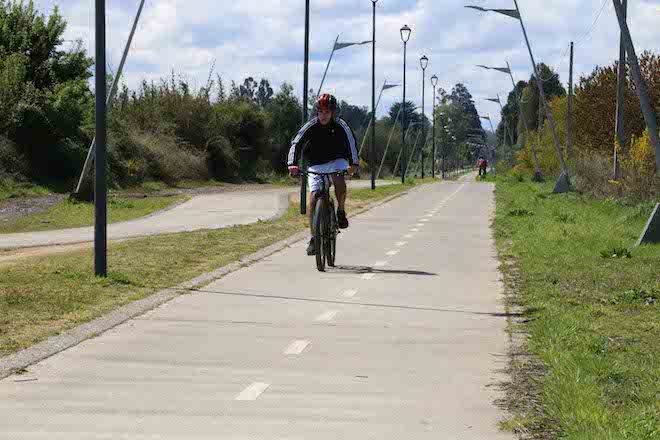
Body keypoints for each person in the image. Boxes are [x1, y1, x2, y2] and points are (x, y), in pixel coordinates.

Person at [287, 94, 359, 256]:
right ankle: (314, 237)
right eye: (320, 111)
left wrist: (353, 164)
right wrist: (292, 164)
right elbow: (296, 143)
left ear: (333, 113)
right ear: (317, 112)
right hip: (316, 164)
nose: (323, 115)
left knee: (339, 179)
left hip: (337, 160)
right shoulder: (310, 125)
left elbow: (352, 143)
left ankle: (340, 210)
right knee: (313, 198)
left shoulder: (342, 125)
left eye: (327, 112)